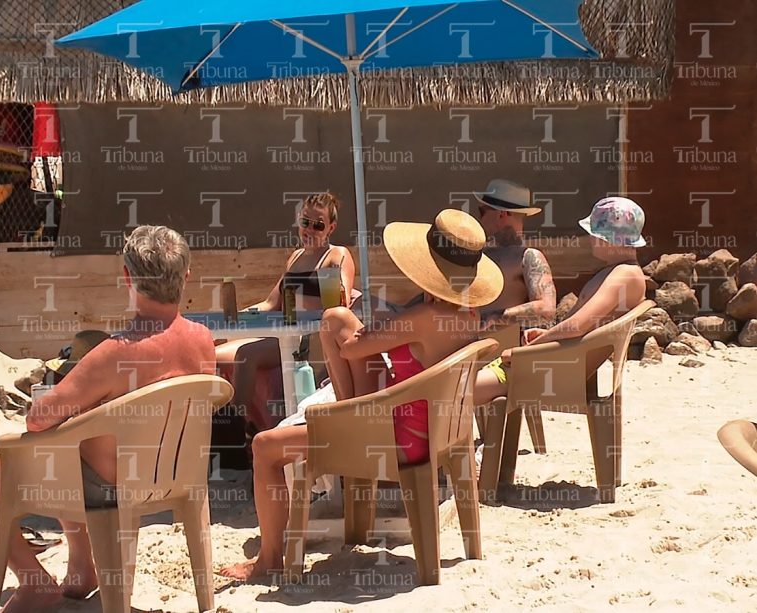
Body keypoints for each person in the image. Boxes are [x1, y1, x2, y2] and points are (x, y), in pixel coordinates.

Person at [0, 226, 217, 613]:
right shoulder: (202, 340)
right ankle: (83, 569)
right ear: (186, 276)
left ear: (128, 278)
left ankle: (34, 582)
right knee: (77, 436)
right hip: (175, 478)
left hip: (103, 488)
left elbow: (37, 419)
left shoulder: (114, 353)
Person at [219, 209, 504, 581]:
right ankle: (345, 410)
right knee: (337, 319)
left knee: (264, 447)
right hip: (438, 431)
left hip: (394, 440)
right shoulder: (468, 314)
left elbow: (354, 348)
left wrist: (348, 323)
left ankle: (270, 559)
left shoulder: (422, 317)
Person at [475, 196, 648, 407]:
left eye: (593, 234)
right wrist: (545, 336)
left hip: (549, 371)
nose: (590, 240)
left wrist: (528, 350)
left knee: (454, 391)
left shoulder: (624, 275)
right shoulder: (622, 272)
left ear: (606, 238)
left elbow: (577, 326)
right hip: (556, 363)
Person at [214, 192, 355, 448]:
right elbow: (271, 303)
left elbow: (341, 302)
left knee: (246, 354)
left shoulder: (336, 256)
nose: (310, 229)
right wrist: (236, 319)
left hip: (309, 340)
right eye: (305, 222)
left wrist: (329, 283)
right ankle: (218, 427)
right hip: (282, 332)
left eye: (318, 225)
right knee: (214, 352)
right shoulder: (296, 258)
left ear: (331, 228)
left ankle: (234, 438)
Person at [475, 178, 556, 329]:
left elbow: (546, 309)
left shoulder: (528, 257)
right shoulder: (480, 254)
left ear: (501, 214)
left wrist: (493, 317)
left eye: (482, 211)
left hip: (504, 347)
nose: (480, 218)